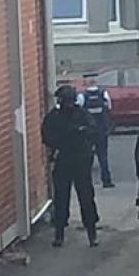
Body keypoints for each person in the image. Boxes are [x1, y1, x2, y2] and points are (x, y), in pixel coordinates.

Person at [42, 85, 100, 248]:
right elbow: (47, 136)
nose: (67, 104)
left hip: (80, 158)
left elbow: (93, 131)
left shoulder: (82, 115)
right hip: (64, 158)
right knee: (61, 198)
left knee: (86, 197)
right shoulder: (54, 117)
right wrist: (64, 138)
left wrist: (81, 133)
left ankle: (92, 233)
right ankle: (59, 233)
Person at [77, 75, 115, 188]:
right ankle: (106, 181)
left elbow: (78, 111)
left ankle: (86, 182)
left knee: (86, 157)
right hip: (101, 131)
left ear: (86, 84)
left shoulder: (82, 96)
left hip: (88, 132)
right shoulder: (103, 94)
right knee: (103, 157)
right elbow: (109, 107)